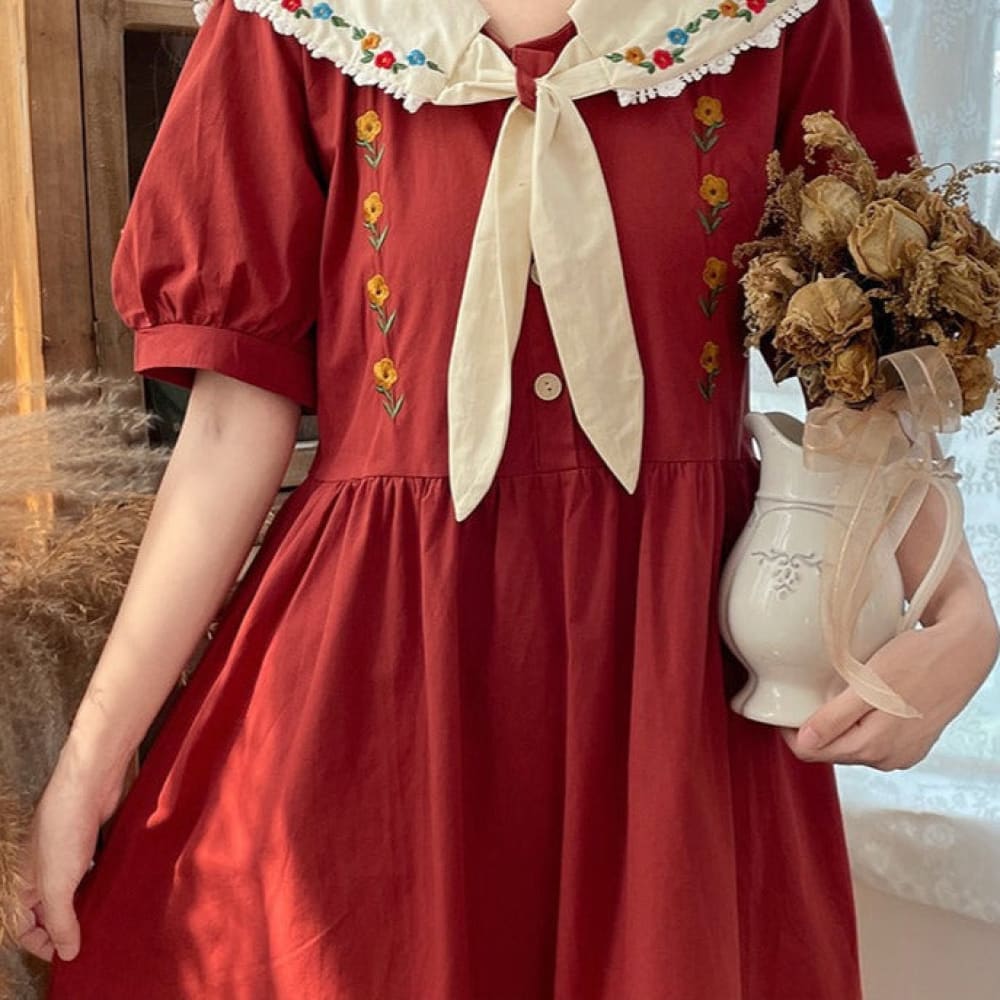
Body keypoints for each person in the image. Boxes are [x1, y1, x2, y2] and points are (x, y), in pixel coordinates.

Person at [14, 0, 998, 996]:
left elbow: (870, 358)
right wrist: (90, 766)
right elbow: (231, 424)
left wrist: (958, 608)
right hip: (378, 671)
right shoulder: (297, 21)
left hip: (674, 680)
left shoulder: (779, 17)